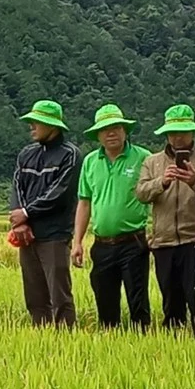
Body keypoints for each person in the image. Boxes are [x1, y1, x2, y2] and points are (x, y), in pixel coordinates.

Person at [72, 104, 151, 328]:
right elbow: (84, 203)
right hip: (102, 244)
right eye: (105, 129)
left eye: (116, 127)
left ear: (125, 130)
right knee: (105, 304)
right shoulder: (90, 162)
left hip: (133, 242)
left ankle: (144, 346)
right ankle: (111, 345)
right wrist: (77, 241)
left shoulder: (143, 158)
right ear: (98, 134)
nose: (111, 133)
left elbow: (157, 195)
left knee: (138, 302)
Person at [8, 99, 80, 326]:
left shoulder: (71, 155)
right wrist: (19, 223)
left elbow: (59, 193)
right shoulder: (26, 154)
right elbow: (17, 187)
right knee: (34, 295)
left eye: (36, 122)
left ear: (53, 126)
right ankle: (42, 339)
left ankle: (66, 340)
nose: (32, 127)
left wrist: (27, 213)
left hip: (55, 235)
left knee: (59, 296)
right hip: (27, 235)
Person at [136, 104, 195, 329]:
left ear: (192, 132)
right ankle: (174, 347)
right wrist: (161, 182)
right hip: (164, 242)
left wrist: (194, 182)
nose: (177, 138)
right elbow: (141, 194)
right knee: (171, 304)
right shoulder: (152, 162)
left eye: (182, 132)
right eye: (172, 132)